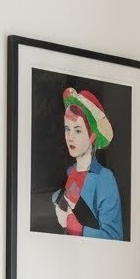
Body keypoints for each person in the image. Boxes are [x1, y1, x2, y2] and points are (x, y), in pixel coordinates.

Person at [52, 87, 124, 240]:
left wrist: (76, 227)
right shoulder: (70, 172)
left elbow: (114, 237)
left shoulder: (104, 178)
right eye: (67, 129)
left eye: (78, 130)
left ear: (92, 136)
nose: (70, 137)